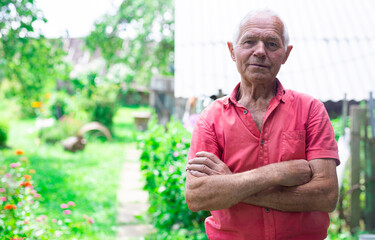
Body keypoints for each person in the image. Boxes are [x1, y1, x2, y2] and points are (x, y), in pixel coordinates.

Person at [185, 9, 340, 240]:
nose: (260, 51)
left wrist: (229, 184)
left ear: (286, 54)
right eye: (249, 42)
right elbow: (198, 196)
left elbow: (325, 195)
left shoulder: (311, 110)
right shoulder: (211, 118)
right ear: (232, 51)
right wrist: (277, 173)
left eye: (272, 44)